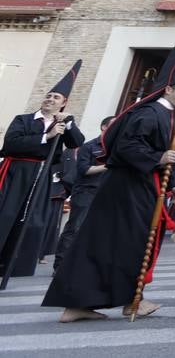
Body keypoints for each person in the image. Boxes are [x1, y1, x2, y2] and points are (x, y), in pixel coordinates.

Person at [43, 40, 175, 322]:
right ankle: (110, 301)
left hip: (139, 187)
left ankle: (115, 300)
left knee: (123, 243)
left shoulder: (166, 115)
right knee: (125, 243)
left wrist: (170, 176)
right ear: (169, 87)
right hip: (128, 189)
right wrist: (159, 159)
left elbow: (163, 153)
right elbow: (126, 148)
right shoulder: (149, 113)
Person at [0, 60, 85, 280]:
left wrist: (69, 124)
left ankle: (15, 264)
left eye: (56, 97)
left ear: (63, 103)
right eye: (48, 95)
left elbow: (77, 142)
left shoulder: (62, 123)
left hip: (42, 175)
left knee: (32, 219)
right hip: (16, 171)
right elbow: (10, 144)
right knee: (6, 214)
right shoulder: (24, 120)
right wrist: (46, 137)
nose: (50, 99)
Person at [53, 115, 113, 270]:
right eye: (113, 125)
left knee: (98, 231)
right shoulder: (89, 146)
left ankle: (83, 265)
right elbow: (84, 170)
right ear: (104, 127)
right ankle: (60, 266)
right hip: (86, 192)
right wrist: (109, 165)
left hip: (106, 194)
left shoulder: (117, 148)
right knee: (75, 228)